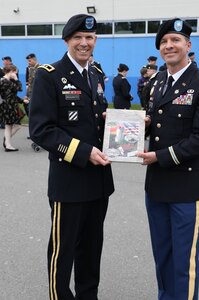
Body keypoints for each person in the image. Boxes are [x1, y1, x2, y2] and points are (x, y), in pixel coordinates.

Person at [29, 14, 114, 300]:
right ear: (67, 40)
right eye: (78, 37)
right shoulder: (49, 74)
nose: (84, 43)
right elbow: (41, 130)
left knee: (91, 250)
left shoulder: (97, 74)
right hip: (69, 181)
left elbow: (96, 121)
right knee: (63, 252)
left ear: (95, 41)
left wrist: (121, 128)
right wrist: (83, 151)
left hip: (99, 181)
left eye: (89, 38)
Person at [137, 18, 199, 300]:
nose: (169, 46)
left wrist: (159, 156)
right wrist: (132, 127)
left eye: (175, 40)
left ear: (188, 45)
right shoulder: (158, 80)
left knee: (183, 263)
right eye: (163, 42)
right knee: (162, 257)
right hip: (157, 185)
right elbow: (159, 123)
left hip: (186, 186)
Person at [0, 64, 26, 151]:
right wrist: (16, 79)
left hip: (9, 105)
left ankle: (7, 143)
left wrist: (22, 101)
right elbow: (19, 88)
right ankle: (7, 142)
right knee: (16, 125)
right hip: (9, 106)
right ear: (11, 71)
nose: (16, 74)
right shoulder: (5, 81)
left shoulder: (6, 81)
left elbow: (12, 95)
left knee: (8, 126)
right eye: (15, 72)